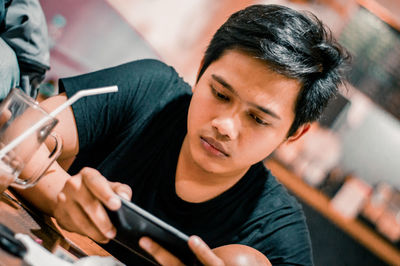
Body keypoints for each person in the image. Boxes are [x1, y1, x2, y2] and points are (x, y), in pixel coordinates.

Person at [15, 4, 350, 266]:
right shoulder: (149, 90)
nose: (225, 125)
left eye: (258, 119)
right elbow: (18, 135)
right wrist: (59, 196)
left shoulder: (279, 235)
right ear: (202, 68)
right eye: (220, 94)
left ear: (294, 133)